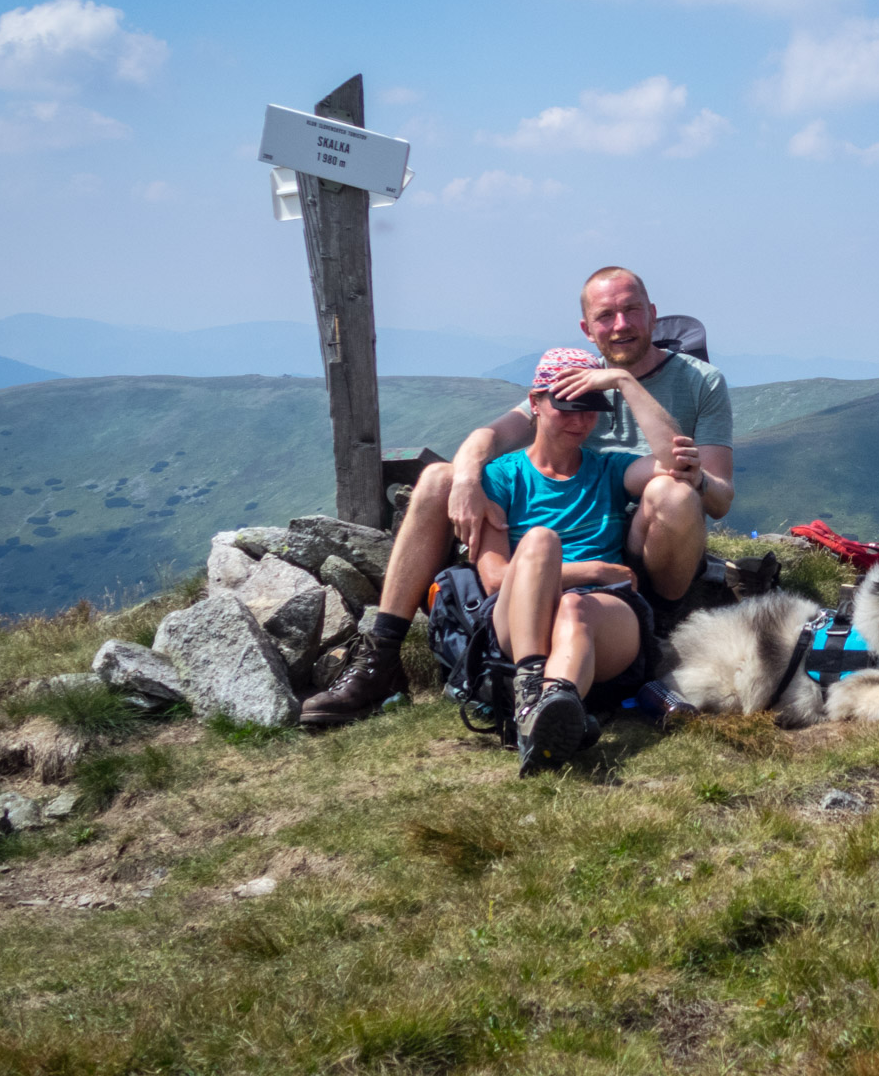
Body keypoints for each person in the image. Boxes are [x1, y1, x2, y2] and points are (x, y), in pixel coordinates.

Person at [299, 266, 734, 728]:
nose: (621, 325)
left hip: (644, 538)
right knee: (438, 481)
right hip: (559, 542)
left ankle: (659, 629)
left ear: (652, 315)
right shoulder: (571, 379)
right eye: (606, 316)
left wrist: (625, 386)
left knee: (674, 491)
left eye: (631, 311)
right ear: (588, 330)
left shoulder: (697, 381)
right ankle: (380, 658)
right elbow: (490, 435)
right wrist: (467, 481)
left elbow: (709, 489)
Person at [475, 347, 681, 774]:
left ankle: (542, 712)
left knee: (574, 606)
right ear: (535, 403)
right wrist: (593, 571)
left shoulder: (609, 470)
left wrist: (624, 382)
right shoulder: (500, 477)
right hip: (520, 619)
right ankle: (538, 696)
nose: (579, 420)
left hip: (602, 617)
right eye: (565, 407)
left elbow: (676, 463)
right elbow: (495, 578)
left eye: (590, 408)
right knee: (540, 541)